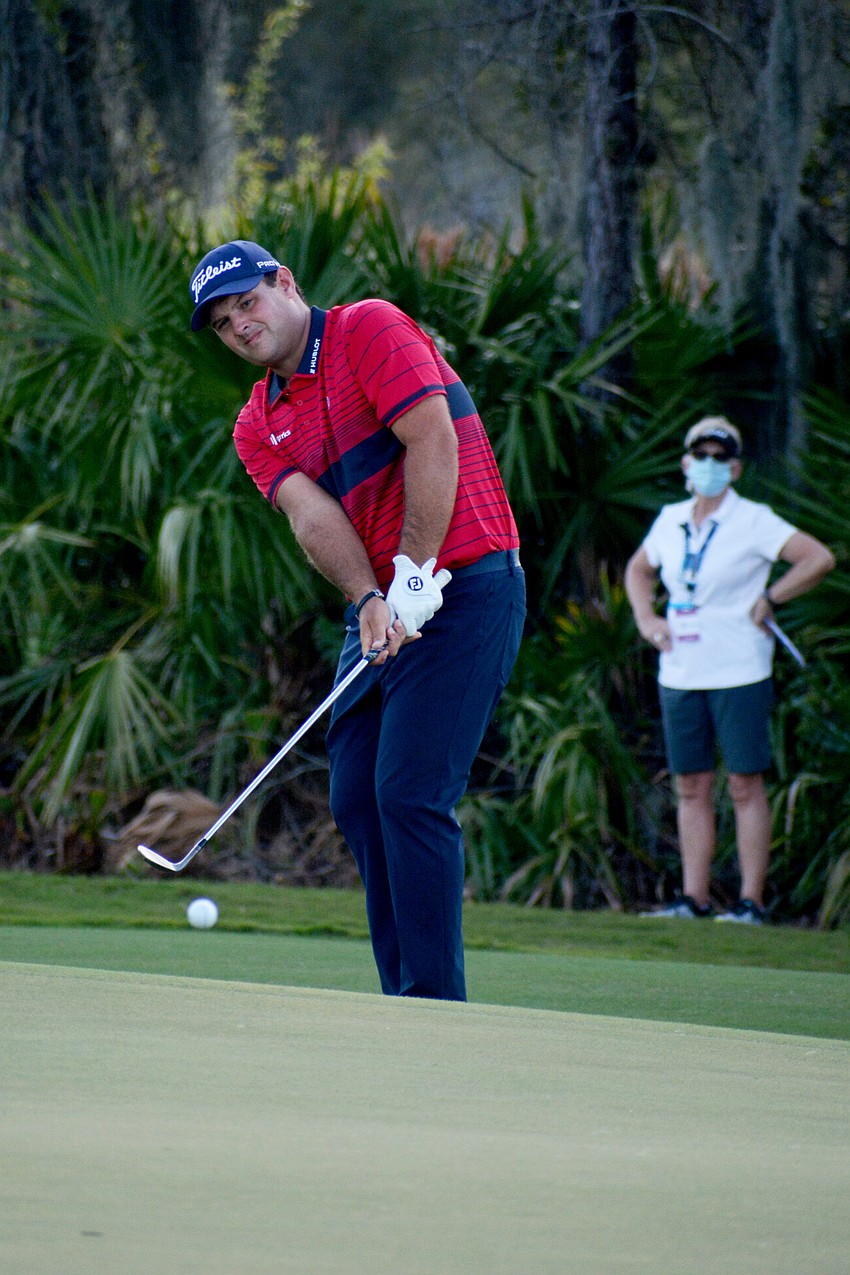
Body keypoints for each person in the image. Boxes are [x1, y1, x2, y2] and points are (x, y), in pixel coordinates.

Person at [189, 240, 525, 998]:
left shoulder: (367, 328)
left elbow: (431, 438)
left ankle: (432, 1005)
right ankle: (401, 993)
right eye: (221, 320)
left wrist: (415, 567)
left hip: (467, 584)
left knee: (408, 791)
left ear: (285, 283)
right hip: (382, 603)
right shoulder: (257, 423)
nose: (240, 325)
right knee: (354, 796)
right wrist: (371, 598)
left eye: (247, 301)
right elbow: (314, 520)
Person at [625, 416, 834, 923]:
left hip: (739, 666)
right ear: (686, 462)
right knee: (690, 785)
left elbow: (818, 558)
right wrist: (648, 617)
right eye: (702, 455)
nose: (710, 465)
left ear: (735, 467)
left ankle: (750, 904)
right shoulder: (671, 519)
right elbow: (638, 569)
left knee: (744, 784)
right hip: (680, 668)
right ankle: (692, 900)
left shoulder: (755, 519)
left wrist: (771, 597)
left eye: (721, 457)